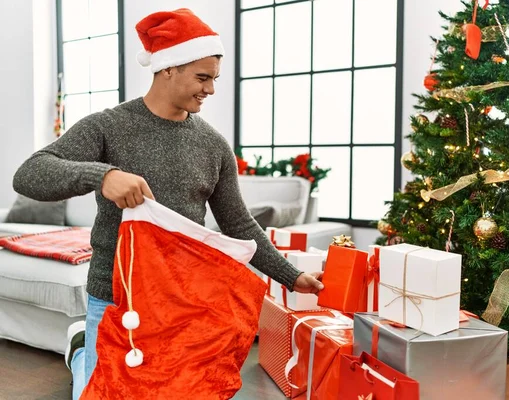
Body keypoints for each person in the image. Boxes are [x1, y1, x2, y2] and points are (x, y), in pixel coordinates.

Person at [12, 8, 323, 399]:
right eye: (202, 77)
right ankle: (82, 353)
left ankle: (82, 355)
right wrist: (103, 175)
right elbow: (30, 174)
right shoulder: (107, 126)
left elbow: (239, 225)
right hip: (114, 296)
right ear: (168, 69)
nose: (210, 89)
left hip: (180, 300)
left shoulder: (212, 146)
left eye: (214, 79)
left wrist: (290, 276)